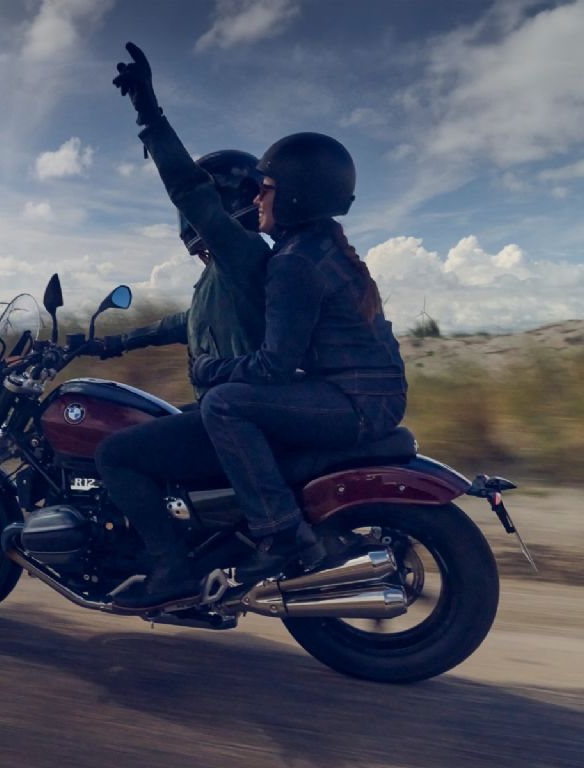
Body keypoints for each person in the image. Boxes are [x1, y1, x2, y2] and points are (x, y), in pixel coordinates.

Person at [94, 43, 271, 611]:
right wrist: (113, 343)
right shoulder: (228, 272)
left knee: (116, 455)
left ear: (225, 205)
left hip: (239, 416)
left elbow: (190, 192)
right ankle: (192, 544)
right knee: (162, 424)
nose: (190, 222)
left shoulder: (243, 253)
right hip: (238, 410)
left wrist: (149, 112)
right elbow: (184, 322)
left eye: (203, 209)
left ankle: (170, 569)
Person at [193, 132, 408, 583]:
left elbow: (274, 365)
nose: (256, 198)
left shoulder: (294, 262)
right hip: (374, 396)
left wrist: (213, 369)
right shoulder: (319, 246)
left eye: (265, 187)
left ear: (294, 197)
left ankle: (278, 531)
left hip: (357, 403)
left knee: (223, 403)